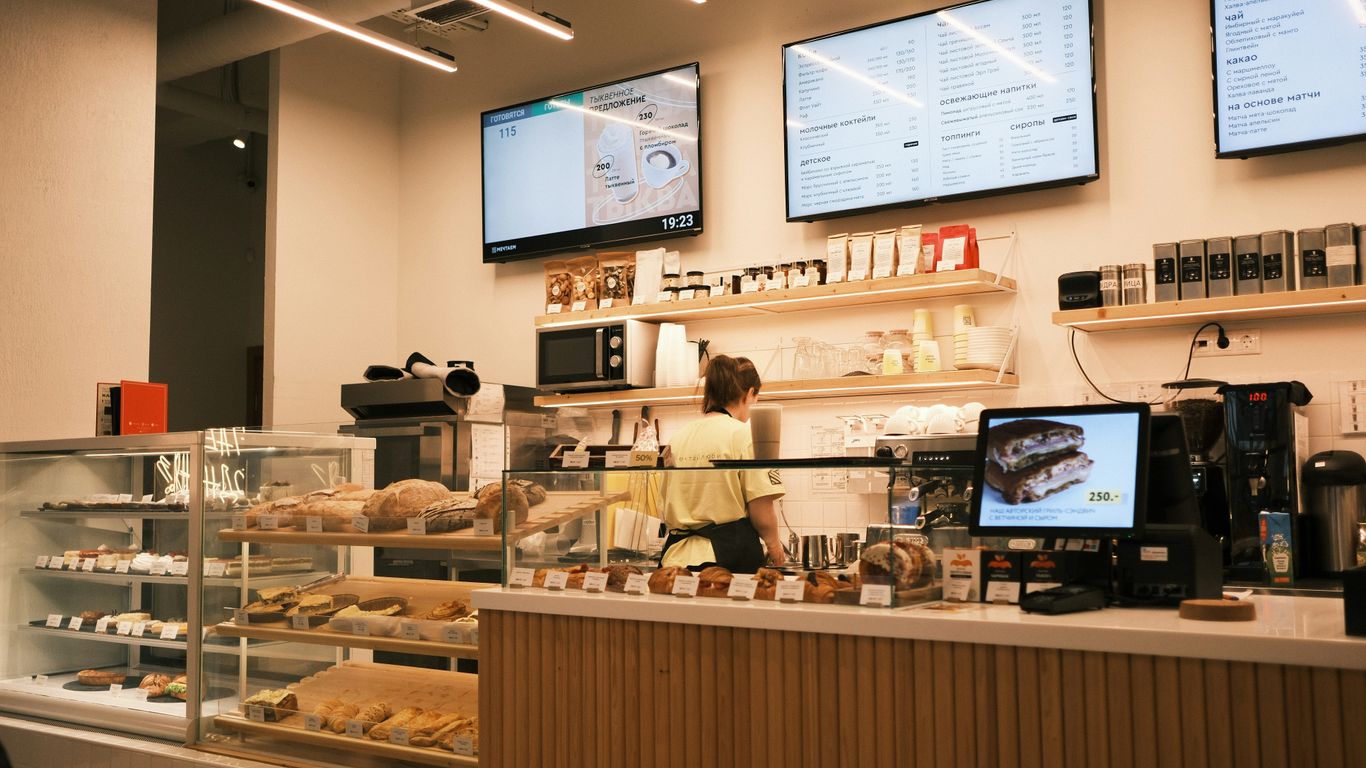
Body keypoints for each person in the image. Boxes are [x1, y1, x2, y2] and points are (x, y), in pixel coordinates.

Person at [659, 355, 786, 571]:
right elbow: (761, 508)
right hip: (725, 562)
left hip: (675, 561)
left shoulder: (678, 437)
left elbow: (664, 501)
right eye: (756, 397)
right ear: (750, 393)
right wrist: (774, 546)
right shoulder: (745, 435)